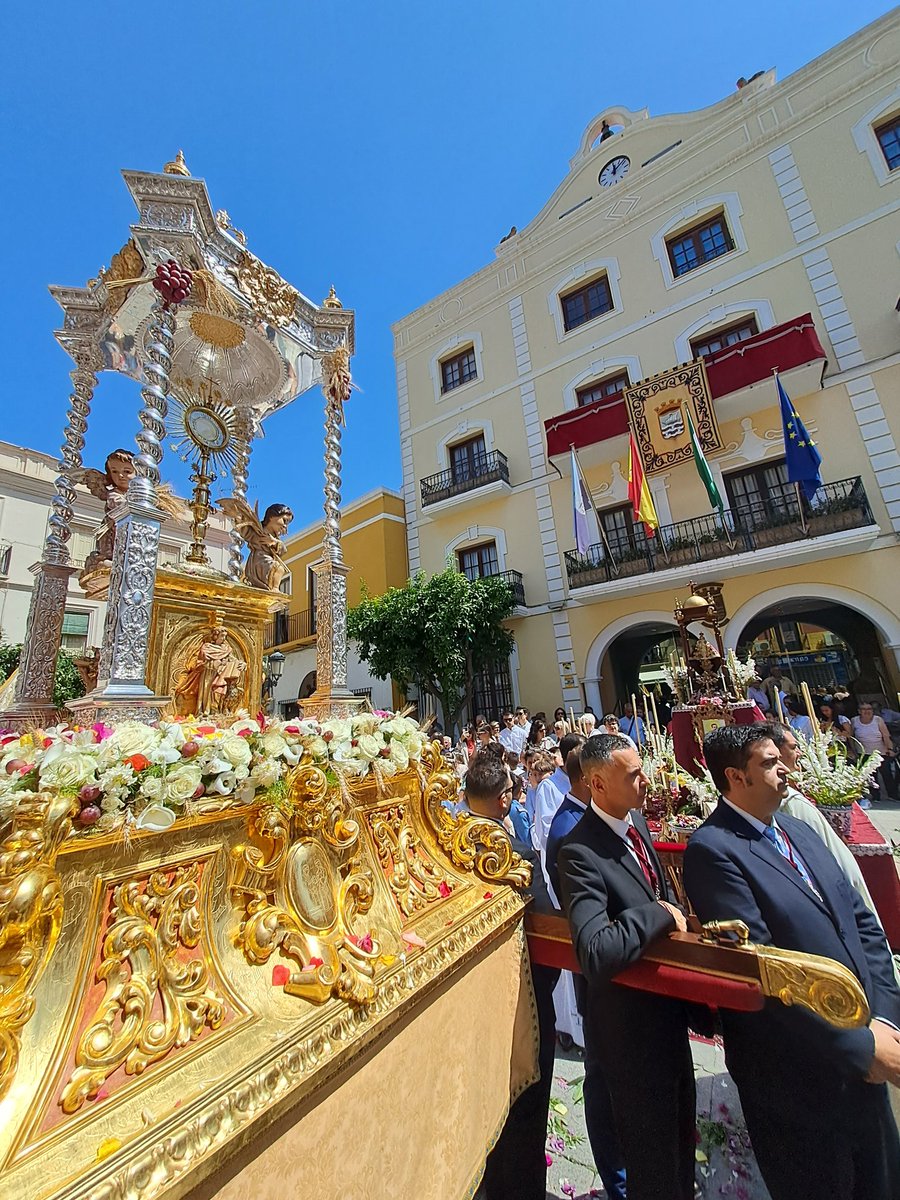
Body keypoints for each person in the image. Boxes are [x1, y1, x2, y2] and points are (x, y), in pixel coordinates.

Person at [684, 724, 900, 1200]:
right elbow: (765, 970)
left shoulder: (799, 829)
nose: (784, 767)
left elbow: (861, 923)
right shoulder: (714, 851)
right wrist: (859, 1048)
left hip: (867, 1054)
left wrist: (884, 1020)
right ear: (735, 778)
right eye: (767, 762)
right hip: (799, 1080)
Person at [557, 734, 697, 1200]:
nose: (645, 781)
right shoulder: (579, 853)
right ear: (597, 784)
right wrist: (659, 914)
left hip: (668, 1019)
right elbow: (595, 950)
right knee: (653, 1165)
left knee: (681, 1146)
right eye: (633, 775)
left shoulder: (634, 820)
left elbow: (659, 890)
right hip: (630, 1036)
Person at [464, 752, 561, 1200]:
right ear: (505, 801)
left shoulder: (446, 845)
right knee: (523, 1111)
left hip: (468, 1005)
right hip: (522, 1004)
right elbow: (544, 933)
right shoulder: (515, 854)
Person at [852, 701, 896, 801]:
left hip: (881, 752)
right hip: (864, 752)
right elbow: (852, 736)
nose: (867, 711)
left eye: (869, 709)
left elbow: (886, 735)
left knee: (886, 774)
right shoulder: (854, 721)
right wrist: (854, 751)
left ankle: (892, 794)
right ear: (859, 711)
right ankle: (875, 796)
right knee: (871, 775)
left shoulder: (878, 720)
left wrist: (889, 749)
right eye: (864, 709)